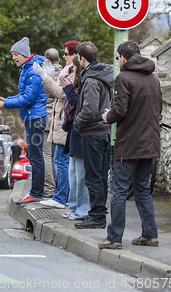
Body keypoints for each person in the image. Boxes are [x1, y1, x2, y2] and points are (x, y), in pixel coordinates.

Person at [98, 41, 162, 249]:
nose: (118, 61)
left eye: (118, 57)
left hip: (129, 145)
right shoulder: (153, 78)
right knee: (142, 189)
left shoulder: (123, 78)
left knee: (118, 192)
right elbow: (158, 107)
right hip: (149, 144)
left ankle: (114, 238)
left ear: (123, 57)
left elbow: (120, 110)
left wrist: (108, 117)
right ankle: (150, 234)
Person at [0, 37, 48, 205]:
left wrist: (5, 103)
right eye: (12, 55)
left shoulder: (32, 71)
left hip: (36, 118)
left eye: (16, 54)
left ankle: (37, 193)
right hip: (31, 117)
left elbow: (28, 99)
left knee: (36, 156)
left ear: (24, 54)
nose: (13, 58)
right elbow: (24, 96)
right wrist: (6, 99)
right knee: (33, 154)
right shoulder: (27, 68)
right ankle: (36, 191)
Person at [73, 42, 114, 229]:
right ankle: (99, 213)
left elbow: (89, 110)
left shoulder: (90, 79)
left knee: (93, 177)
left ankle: (96, 216)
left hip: (92, 133)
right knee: (101, 177)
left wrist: (77, 123)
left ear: (82, 59)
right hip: (104, 131)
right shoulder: (105, 75)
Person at [33, 48, 74, 209]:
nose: (65, 57)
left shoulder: (65, 73)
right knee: (59, 159)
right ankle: (59, 192)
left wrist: (44, 76)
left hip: (53, 119)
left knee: (52, 157)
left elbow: (55, 93)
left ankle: (52, 191)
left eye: (67, 54)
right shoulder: (64, 71)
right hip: (56, 119)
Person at [59, 55, 90, 220]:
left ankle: (82, 210)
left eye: (73, 68)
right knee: (73, 173)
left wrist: (68, 89)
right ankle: (74, 208)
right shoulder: (78, 82)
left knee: (80, 175)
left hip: (80, 132)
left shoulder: (86, 82)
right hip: (73, 131)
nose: (71, 70)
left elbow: (79, 104)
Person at [41, 48, 60, 198]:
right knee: (61, 158)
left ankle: (48, 190)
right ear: (58, 60)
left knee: (47, 155)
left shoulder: (43, 73)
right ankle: (62, 191)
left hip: (46, 118)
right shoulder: (67, 72)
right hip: (61, 121)